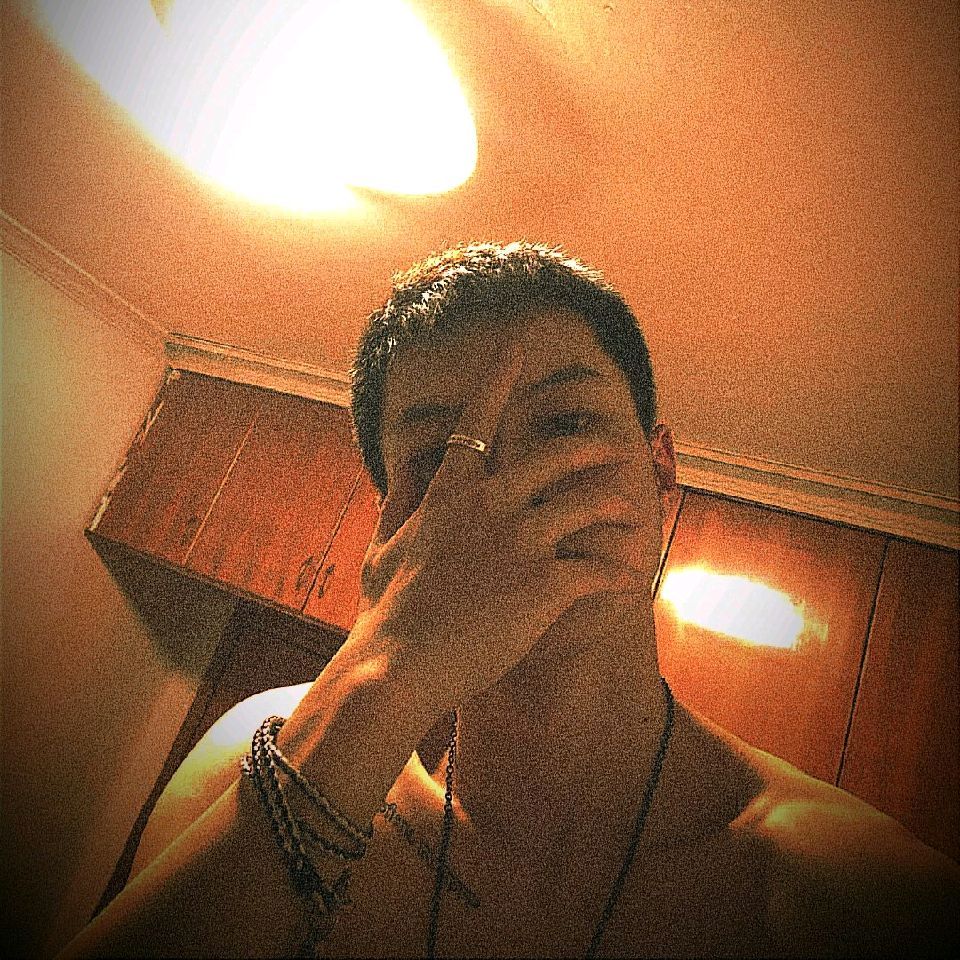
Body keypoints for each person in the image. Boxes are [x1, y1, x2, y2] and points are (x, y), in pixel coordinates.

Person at [63, 242, 958, 958]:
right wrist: (382, 676)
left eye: (565, 423)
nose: (504, 492)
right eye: (439, 457)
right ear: (392, 527)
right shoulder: (259, 756)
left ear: (660, 474)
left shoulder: (857, 896)